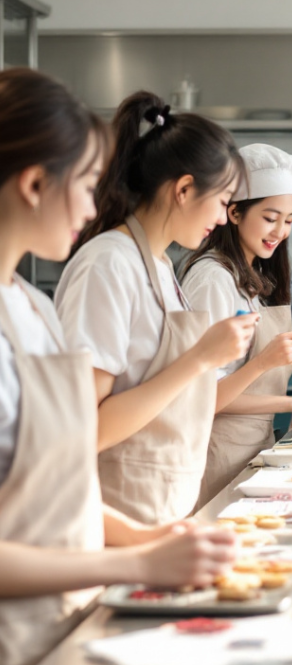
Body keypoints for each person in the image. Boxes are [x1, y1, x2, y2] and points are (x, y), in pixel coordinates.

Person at [0, 69, 235, 665]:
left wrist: (141, 538)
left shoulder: (32, 307)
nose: (92, 205)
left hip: (64, 611)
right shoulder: (104, 263)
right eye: (86, 183)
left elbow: (59, 485)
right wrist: (134, 560)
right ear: (34, 183)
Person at [56, 90, 258, 526]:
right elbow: (87, 430)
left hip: (165, 507)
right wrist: (200, 357)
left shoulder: (162, 266)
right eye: (222, 201)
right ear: (183, 189)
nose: (223, 218)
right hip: (118, 516)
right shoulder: (108, 264)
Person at [182, 143, 292, 507]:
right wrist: (268, 367)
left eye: (288, 220)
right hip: (218, 454)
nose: (280, 231)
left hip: (251, 450)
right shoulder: (212, 279)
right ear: (234, 212)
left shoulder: (250, 277)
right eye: (270, 218)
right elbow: (205, 397)